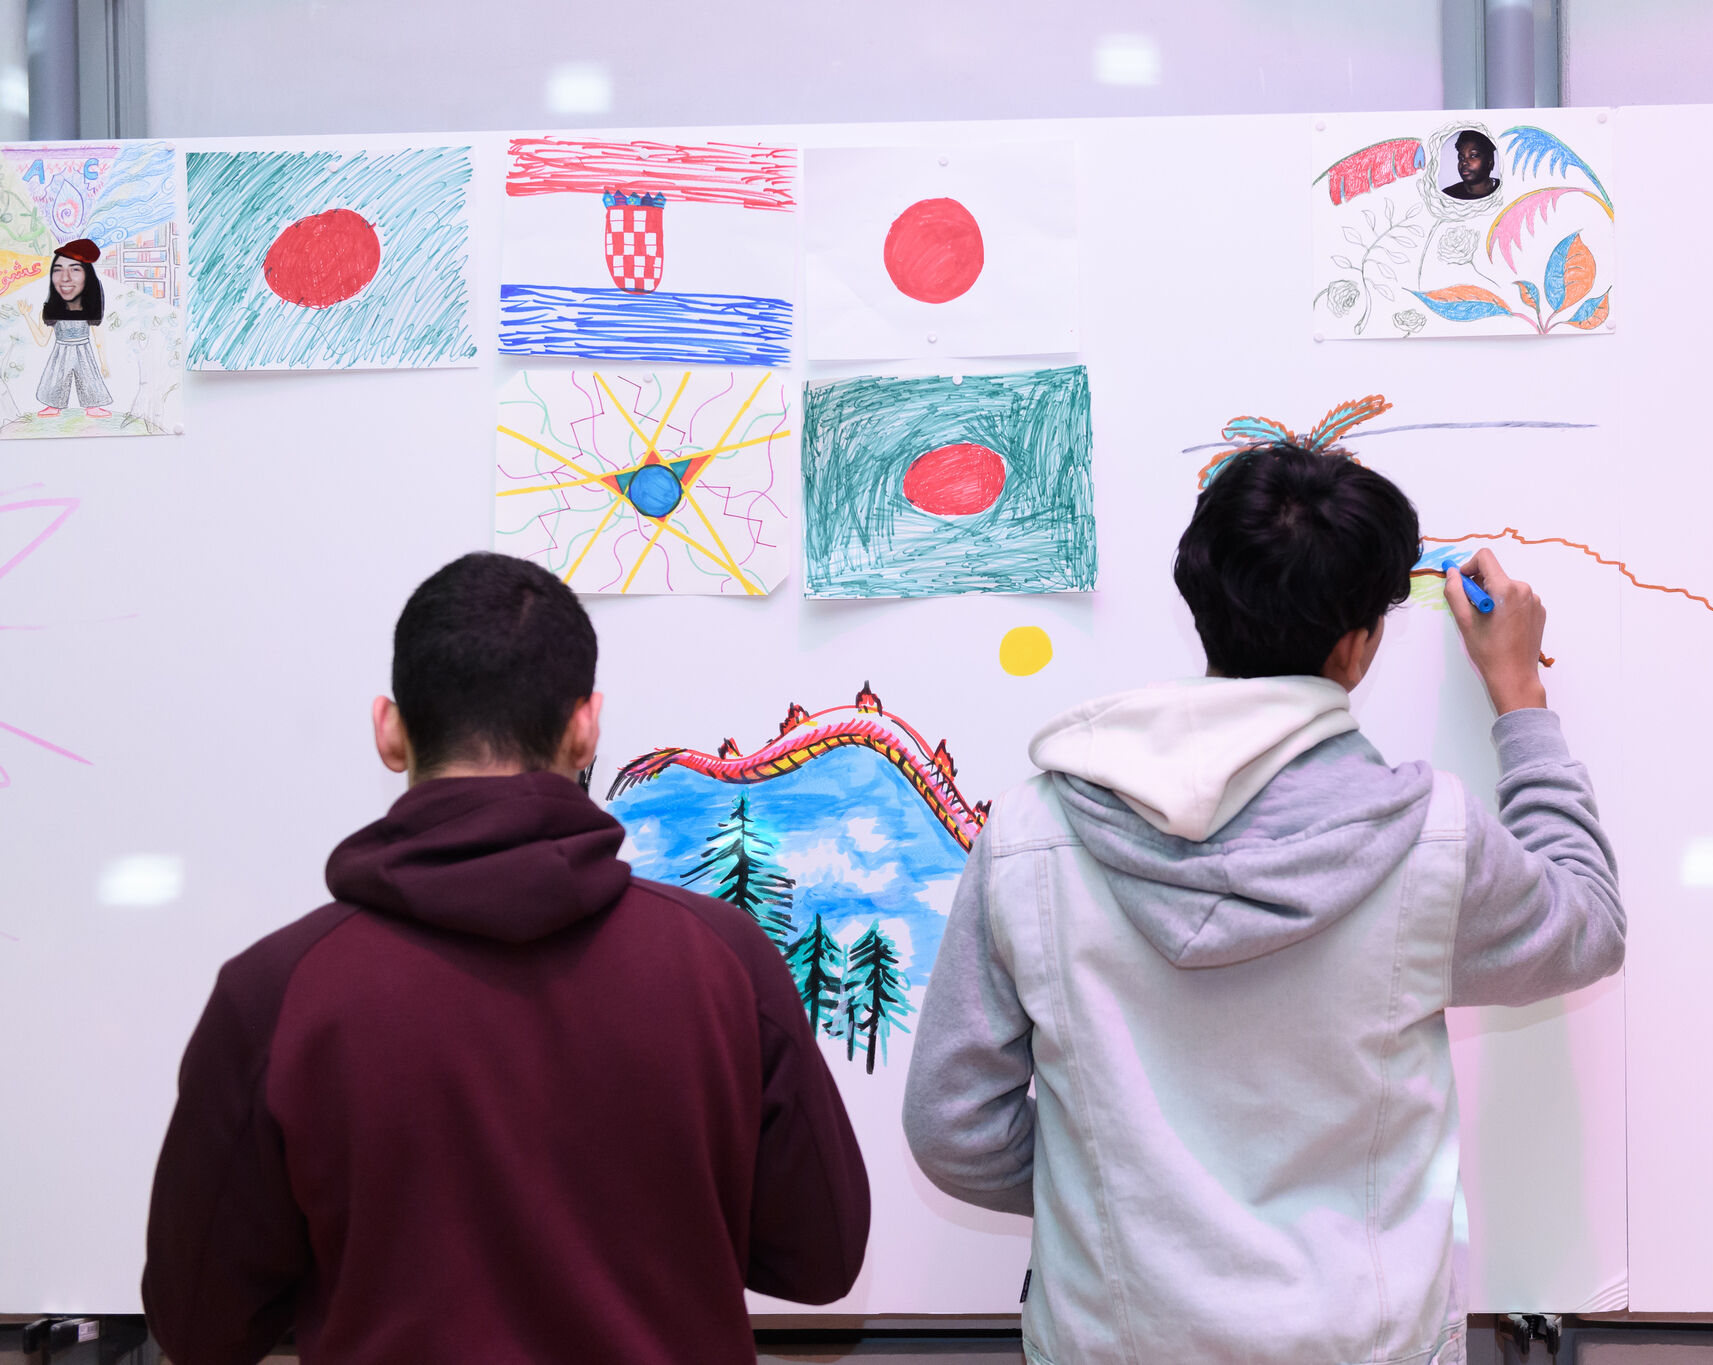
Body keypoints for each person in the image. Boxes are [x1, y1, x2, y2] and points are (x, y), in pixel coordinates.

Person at [903, 442, 1624, 1365]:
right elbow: (1590, 925)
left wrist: (1116, 1192)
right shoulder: (1432, 840)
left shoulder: (1033, 833)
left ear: (1199, 604)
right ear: (1361, 643)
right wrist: (1521, 699)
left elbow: (952, 1124)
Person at [143, 552, 869, 1365]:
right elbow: (821, 1257)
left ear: (389, 729)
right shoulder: (724, 961)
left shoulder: (276, 992)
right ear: (586, 725)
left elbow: (200, 1322)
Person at [16, 237, 114, 418]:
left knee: (89, 375)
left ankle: (93, 405)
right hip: (60, 351)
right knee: (55, 377)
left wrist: (103, 362)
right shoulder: (50, 308)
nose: (66, 277)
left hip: (84, 350)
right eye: (58, 270)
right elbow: (42, 340)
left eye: (75, 270)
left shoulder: (90, 308)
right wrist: (26, 315)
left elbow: (98, 338)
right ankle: (53, 405)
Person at [1445, 129, 1501, 200]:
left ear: (1490, 162)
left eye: (1473, 155)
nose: (1464, 162)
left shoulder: (1506, 190)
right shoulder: (1449, 196)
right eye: (1461, 158)